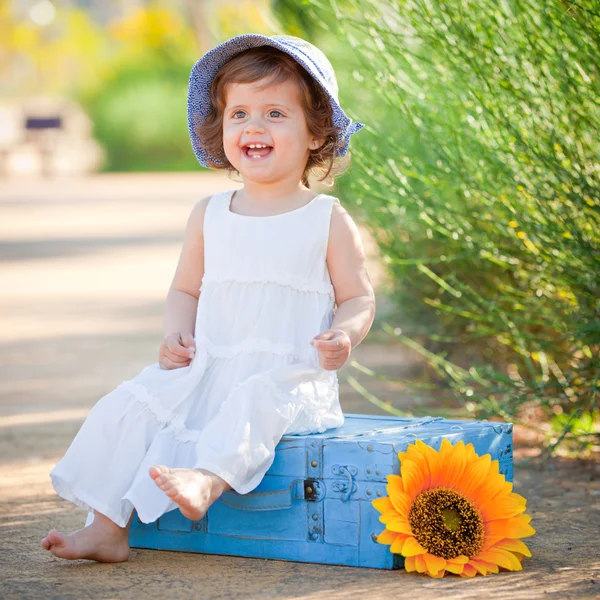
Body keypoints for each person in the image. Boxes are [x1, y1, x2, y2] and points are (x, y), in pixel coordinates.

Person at [41, 33, 375, 562]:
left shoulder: (325, 219)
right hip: (212, 367)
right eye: (238, 113)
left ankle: (208, 480)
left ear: (317, 134)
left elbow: (359, 297)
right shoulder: (210, 213)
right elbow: (184, 289)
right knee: (132, 404)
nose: (254, 127)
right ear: (221, 130)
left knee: (255, 398)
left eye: (275, 114)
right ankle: (107, 525)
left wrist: (344, 334)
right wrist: (178, 332)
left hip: (290, 379)